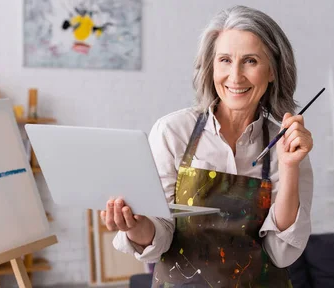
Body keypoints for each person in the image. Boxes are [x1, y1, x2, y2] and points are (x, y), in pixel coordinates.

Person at [101, 5, 313, 287]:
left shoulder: (289, 147)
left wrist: (288, 167)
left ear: (272, 71)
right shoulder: (172, 133)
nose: (235, 76)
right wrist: (135, 226)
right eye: (225, 60)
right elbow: (160, 236)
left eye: (250, 61)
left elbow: (282, 253)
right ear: (211, 65)